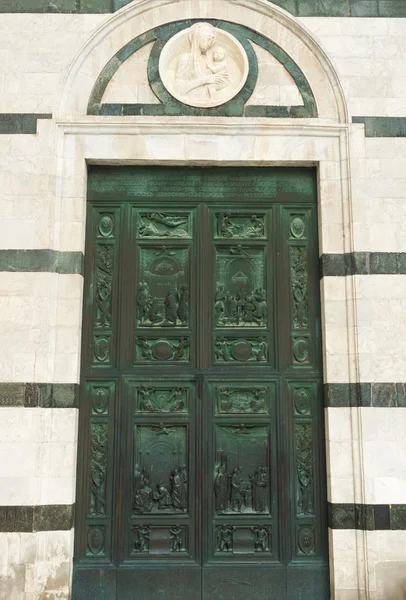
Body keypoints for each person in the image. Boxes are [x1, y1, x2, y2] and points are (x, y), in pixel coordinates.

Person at [175, 23, 229, 104]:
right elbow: (179, 89)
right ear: (199, 38)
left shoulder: (206, 59)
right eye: (208, 39)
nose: (209, 42)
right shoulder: (186, 58)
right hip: (193, 99)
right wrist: (204, 80)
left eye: (211, 39)